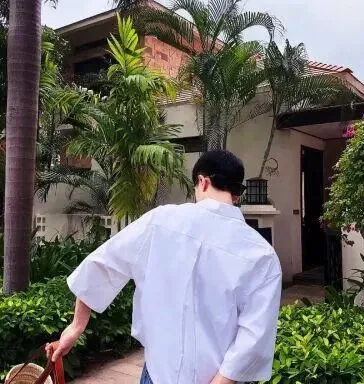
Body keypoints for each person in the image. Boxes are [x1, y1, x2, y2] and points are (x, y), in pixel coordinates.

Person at [48, 150, 282, 384]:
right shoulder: (262, 253)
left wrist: (76, 326)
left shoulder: (160, 221)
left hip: (158, 373)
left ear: (202, 181)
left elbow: (103, 264)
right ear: (236, 194)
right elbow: (255, 334)